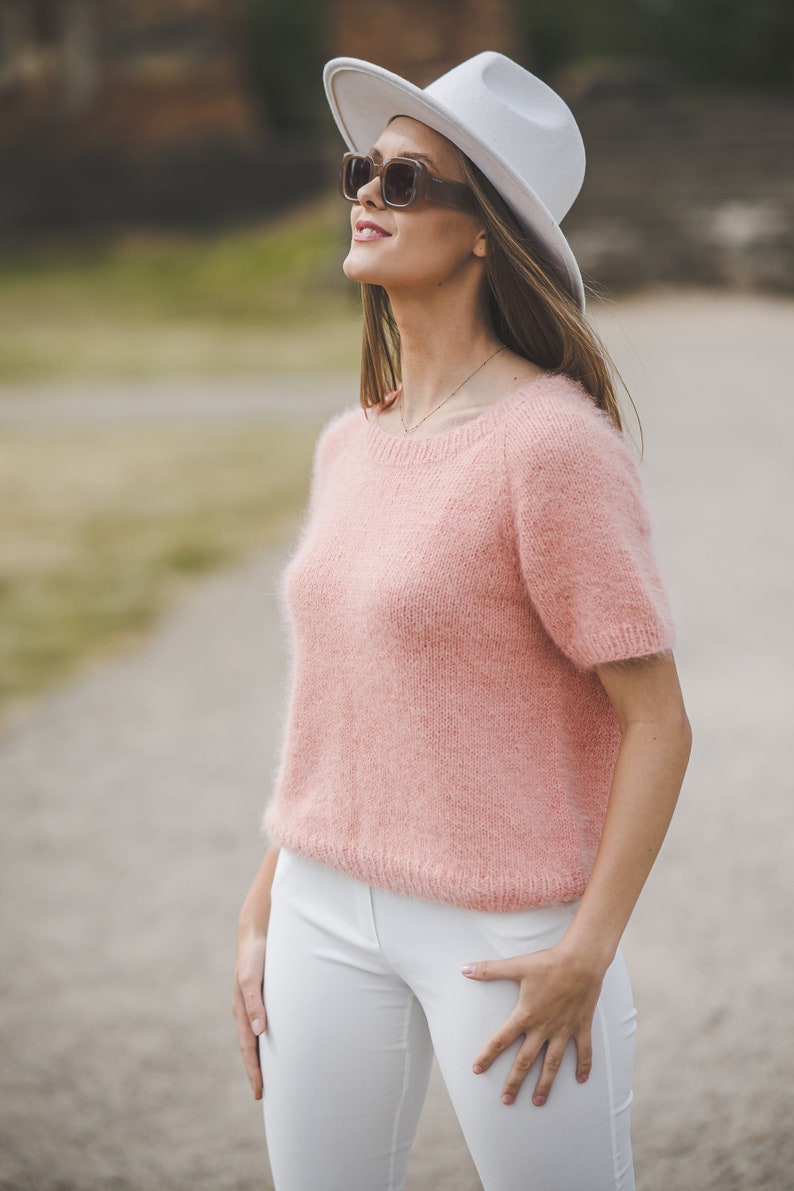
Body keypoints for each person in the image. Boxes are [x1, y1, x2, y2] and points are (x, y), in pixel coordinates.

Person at [232, 51, 691, 1191]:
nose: (364, 197)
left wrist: (587, 948)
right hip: (319, 915)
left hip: (506, 939)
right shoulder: (352, 440)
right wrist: (261, 910)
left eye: (402, 181)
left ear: (483, 230)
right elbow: (337, 707)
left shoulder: (551, 447)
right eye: (361, 170)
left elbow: (657, 723)